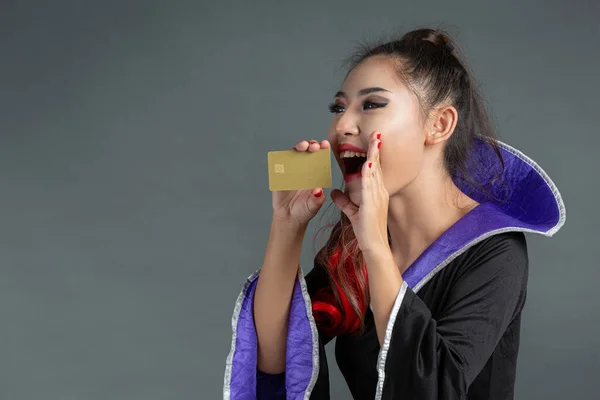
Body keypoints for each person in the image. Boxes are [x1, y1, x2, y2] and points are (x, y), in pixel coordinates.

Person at [223, 28, 566, 400]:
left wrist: (374, 248)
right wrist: (287, 227)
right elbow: (276, 361)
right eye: (339, 108)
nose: (341, 126)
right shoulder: (355, 243)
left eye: (370, 105)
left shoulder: (494, 251)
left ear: (439, 125)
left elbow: (432, 390)